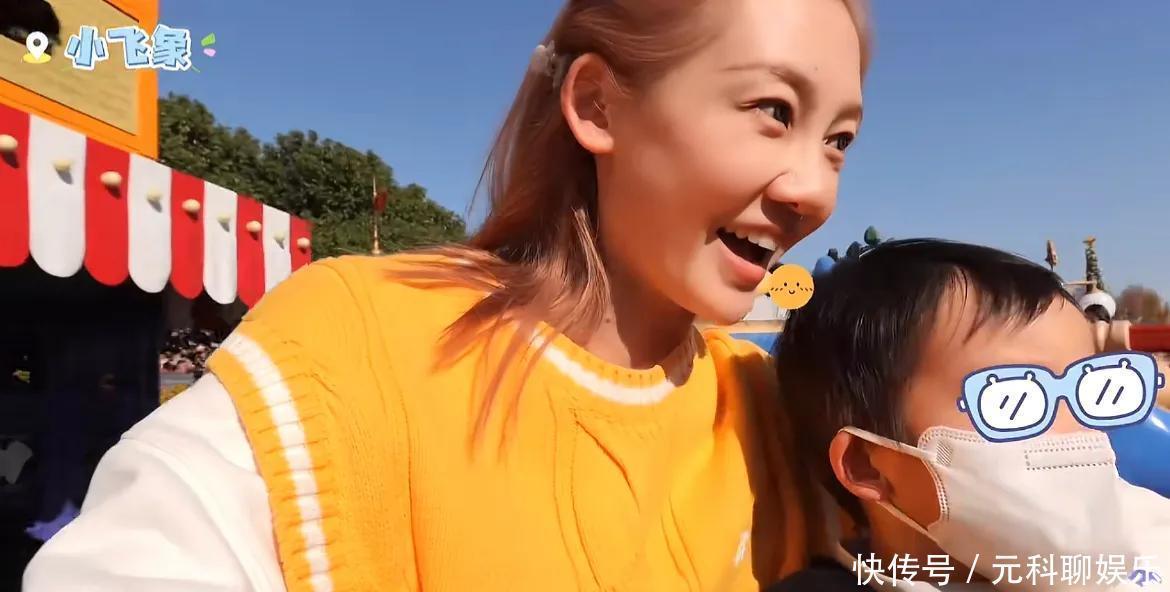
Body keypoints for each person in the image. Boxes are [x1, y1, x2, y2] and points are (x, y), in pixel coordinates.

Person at [23, 0, 870, 590]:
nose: (814, 191)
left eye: (838, 141)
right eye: (772, 110)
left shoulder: (782, 410)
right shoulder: (355, 341)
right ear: (598, 105)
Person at [767, 239, 1170, 591]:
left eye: (1089, 390)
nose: (1081, 434)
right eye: (1013, 401)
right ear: (866, 464)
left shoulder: (1150, 531)